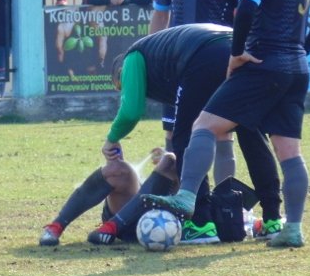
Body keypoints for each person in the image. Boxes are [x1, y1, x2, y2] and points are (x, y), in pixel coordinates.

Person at [146, 0, 310, 250]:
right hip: (295, 68)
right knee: (289, 153)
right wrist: (302, 48)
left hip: (261, 64)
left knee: (203, 126)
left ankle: (187, 197)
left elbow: (246, 11)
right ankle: (292, 228)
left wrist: (236, 55)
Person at [47, 24, 283, 247]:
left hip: (204, 54)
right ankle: (273, 218)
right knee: (250, 132)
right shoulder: (163, 65)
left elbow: (131, 111)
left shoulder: (132, 58)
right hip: (240, 46)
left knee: (183, 138)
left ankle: (200, 223)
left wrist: (112, 137)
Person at [149, 0, 249, 221]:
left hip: (216, 67)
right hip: (177, 66)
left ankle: (225, 208)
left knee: (221, 134)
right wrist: (152, 53)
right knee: (174, 137)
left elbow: (245, 19)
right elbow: (160, 16)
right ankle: (189, 209)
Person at [39, 149, 179, 246]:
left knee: (172, 161)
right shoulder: (175, 109)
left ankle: (113, 226)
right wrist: (111, 142)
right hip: (134, 217)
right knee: (117, 169)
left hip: (182, 214)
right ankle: (56, 226)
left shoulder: (199, 115)